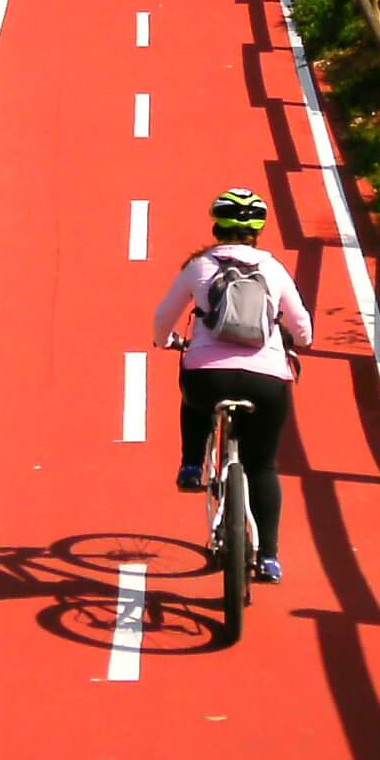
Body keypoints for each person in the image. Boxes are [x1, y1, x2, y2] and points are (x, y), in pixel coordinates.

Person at [152, 189, 312, 583]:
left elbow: (162, 320)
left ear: (216, 226)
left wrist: (169, 342)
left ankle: (191, 464)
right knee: (263, 466)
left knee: (193, 396)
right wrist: (295, 342)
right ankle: (270, 557)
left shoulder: (199, 266)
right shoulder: (273, 269)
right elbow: (303, 330)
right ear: (258, 231)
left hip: (209, 378)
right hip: (268, 381)